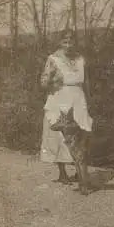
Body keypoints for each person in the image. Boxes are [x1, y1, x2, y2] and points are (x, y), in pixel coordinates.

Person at [40, 31, 93, 184]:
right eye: (65, 41)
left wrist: (88, 100)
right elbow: (43, 83)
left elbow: (87, 82)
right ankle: (62, 173)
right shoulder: (53, 59)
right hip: (60, 98)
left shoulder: (81, 59)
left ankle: (80, 172)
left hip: (78, 98)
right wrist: (51, 79)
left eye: (71, 41)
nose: (68, 44)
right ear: (60, 43)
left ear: (75, 42)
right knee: (60, 135)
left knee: (83, 133)